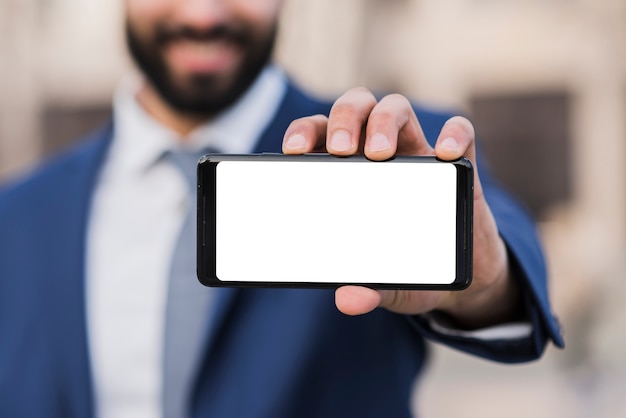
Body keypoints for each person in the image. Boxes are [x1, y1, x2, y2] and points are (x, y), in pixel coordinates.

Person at [0, 1, 563, 417]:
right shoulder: (19, 217)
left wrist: (481, 285)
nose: (202, 14)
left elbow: (509, 271)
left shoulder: (397, 154)